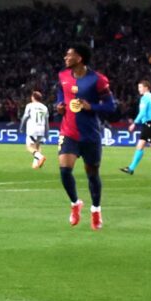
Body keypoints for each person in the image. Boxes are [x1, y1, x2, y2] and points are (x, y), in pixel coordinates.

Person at [52, 45, 116, 229]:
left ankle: (96, 210)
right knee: (64, 171)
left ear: (79, 58)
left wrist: (92, 107)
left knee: (92, 174)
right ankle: (75, 204)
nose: (65, 57)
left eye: (69, 54)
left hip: (90, 135)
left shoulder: (98, 80)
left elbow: (111, 106)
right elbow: (60, 94)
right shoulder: (63, 76)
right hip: (68, 132)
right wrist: (59, 105)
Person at [124, 80, 151, 175]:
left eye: (140, 87)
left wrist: (134, 123)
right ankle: (131, 169)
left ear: (146, 88)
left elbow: (142, 112)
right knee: (140, 146)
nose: (139, 89)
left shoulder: (145, 98)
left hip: (148, 124)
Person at [22, 89, 50, 170]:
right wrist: (47, 132)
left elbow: (25, 117)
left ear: (33, 97)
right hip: (41, 129)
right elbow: (46, 121)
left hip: (32, 129)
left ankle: (40, 157)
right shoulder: (44, 107)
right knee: (37, 146)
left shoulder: (30, 105)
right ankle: (35, 164)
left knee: (29, 147)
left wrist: (21, 126)